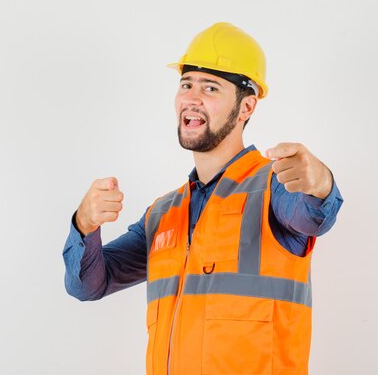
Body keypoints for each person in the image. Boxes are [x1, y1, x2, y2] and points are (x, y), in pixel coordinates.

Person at [63, 22, 344, 375]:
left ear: (246, 107)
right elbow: (88, 284)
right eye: (186, 84)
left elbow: (314, 216)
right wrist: (84, 224)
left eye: (210, 87)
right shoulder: (163, 214)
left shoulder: (274, 187)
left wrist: (320, 183)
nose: (192, 98)